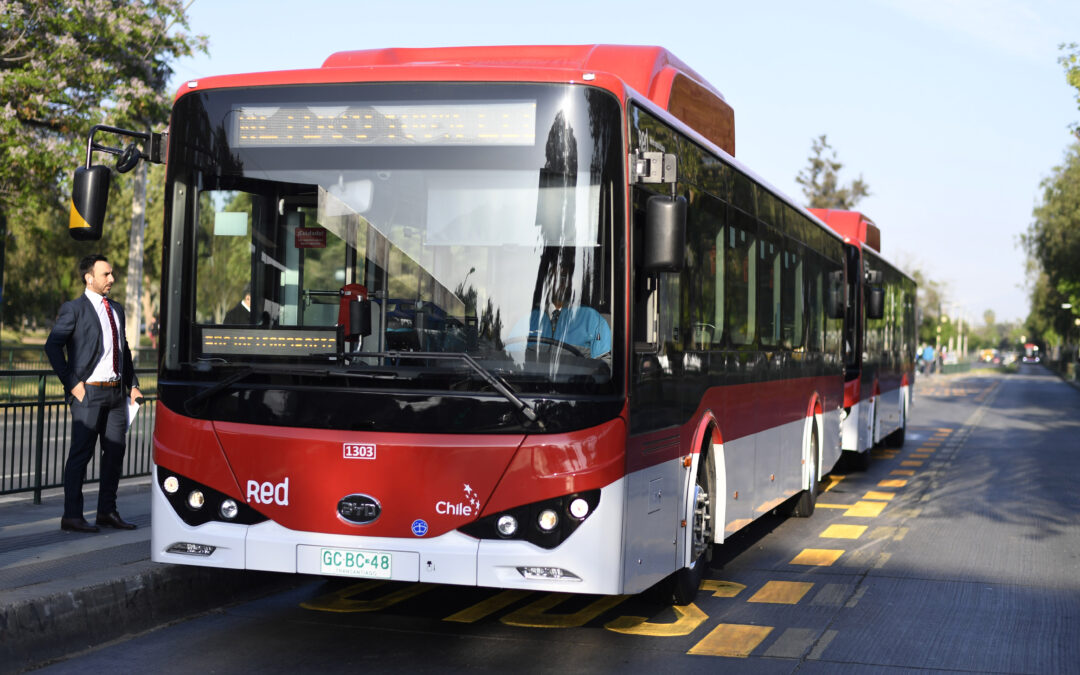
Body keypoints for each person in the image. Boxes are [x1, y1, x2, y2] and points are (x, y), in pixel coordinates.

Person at [44, 254, 142, 533]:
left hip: (115, 396)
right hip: (88, 393)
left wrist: (132, 384)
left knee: (114, 454)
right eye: (106, 274)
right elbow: (52, 347)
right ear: (89, 278)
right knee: (80, 455)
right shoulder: (73, 309)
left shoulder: (117, 309)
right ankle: (72, 516)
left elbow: (123, 350)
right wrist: (72, 384)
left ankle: (107, 512)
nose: (112, 279)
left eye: (112, 274)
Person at [511, 255, 611, 359]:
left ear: (571, 282)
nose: (557, 282)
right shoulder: (528, 319)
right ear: (546, 282)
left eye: (563, 277)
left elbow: (603, 365)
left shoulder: (591, 319)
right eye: (552, 277)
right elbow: (509, 360)